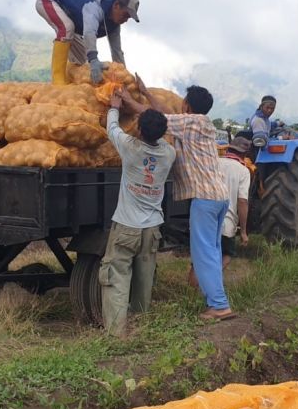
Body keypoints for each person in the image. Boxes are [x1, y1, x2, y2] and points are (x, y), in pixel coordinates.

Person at [120, 79, 235, 321]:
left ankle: (219, 305)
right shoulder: (200, 122)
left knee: (203, 253)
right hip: (218, 197)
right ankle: (216, 299)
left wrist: (129, 101)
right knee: (212, 252)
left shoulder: (191, 123)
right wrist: (145, 93)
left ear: (187, 104)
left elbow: (157, 118)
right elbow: (167, 113)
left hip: (204, 198)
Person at [99, 90, 175, 337]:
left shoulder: (130, 148)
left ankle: (116, 332)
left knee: (117, 277)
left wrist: (115, 106)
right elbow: (162, 129)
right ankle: (142, 324)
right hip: (152, 229)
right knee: (144, 280)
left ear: (139, 131)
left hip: (126, 227)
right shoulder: (169, 154)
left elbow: (112, 129)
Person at [35, 0, 140, 85]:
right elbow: (89, 33)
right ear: (116, 5)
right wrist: (94, 59)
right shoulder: (94, 8)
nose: (126, 20)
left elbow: (116, 51)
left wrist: (124, 78)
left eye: (129, 18)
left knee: (81, 61)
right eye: (126, 15)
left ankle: (68, 78)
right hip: (48, 0)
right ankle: (58, 80)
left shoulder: (114, 25)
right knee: (67, 28)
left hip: (72, 20)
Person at [188, 136, 251, 287]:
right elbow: (242, 202)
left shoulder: (213, 163)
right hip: (226, 223)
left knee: (200, 257)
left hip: (203, 218)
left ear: (228, 149)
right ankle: (210, 278)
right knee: (227, 255)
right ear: (244, 155)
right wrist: (243, 231)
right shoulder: (243, 171)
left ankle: (190, 291)